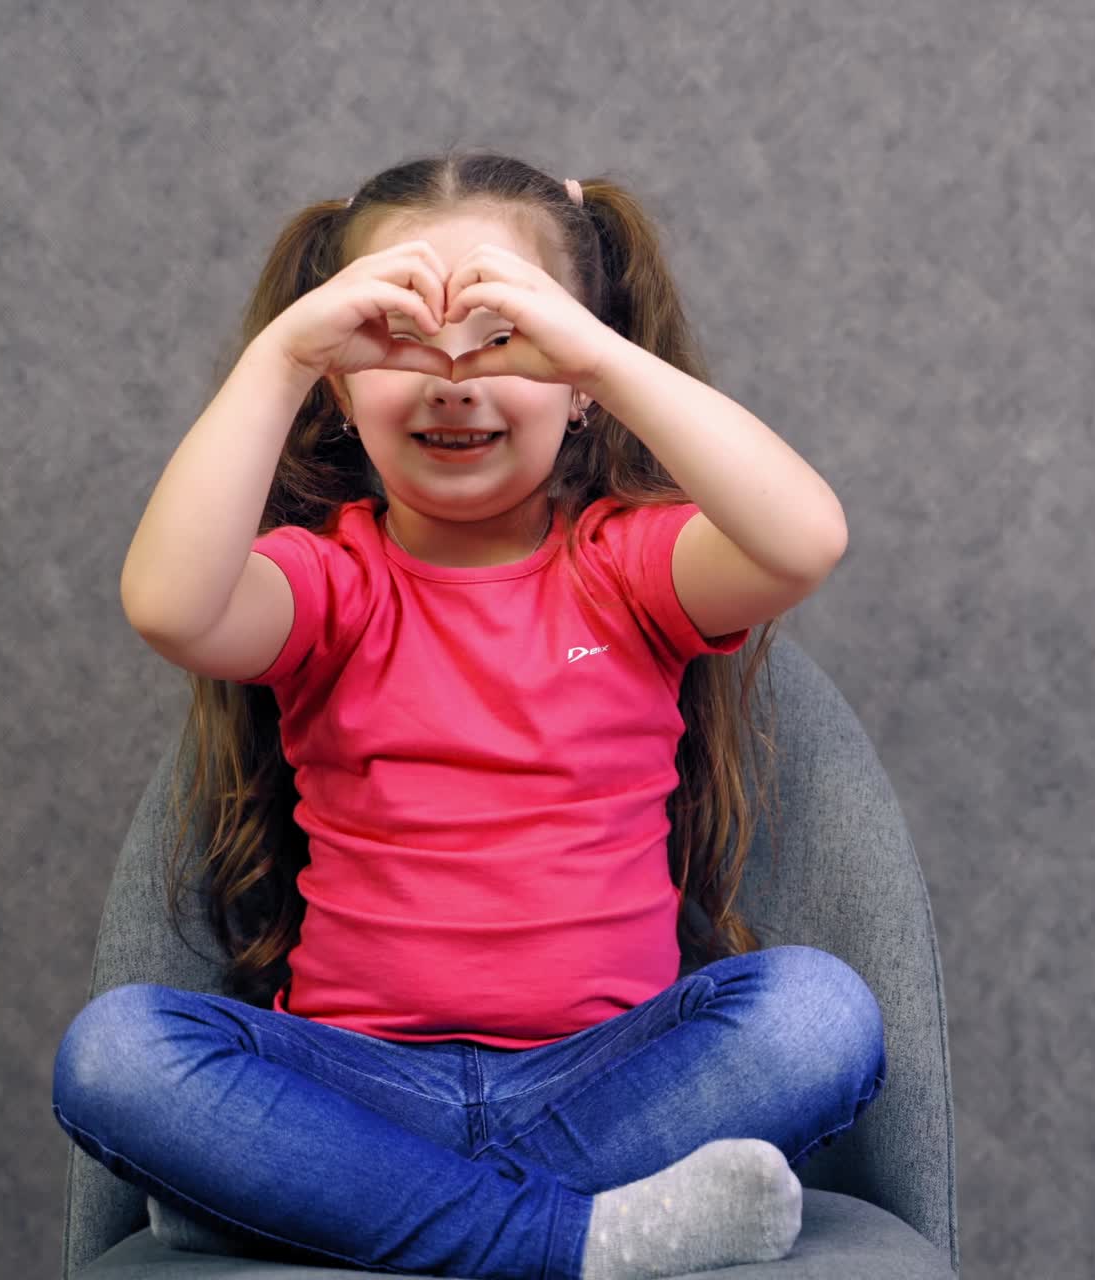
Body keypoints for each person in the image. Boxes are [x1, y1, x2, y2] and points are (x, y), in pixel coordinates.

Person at [52, 150, 887, 1280]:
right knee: (115, 1050)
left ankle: (315, 1200)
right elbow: (166, 601)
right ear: (339, 389)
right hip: (355, 1084)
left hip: (602, 1078)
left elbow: (803, 538)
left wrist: (592, 344)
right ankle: (569, 1237)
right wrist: (282, 353)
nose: (453, 377)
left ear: (580, 377)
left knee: (817, 1013)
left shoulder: (626, 570)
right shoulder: (330, 582)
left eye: (503, 335)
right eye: (396, 339)